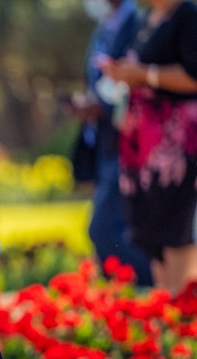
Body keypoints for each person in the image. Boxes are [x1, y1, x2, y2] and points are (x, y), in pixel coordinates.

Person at [100, 0, 197, 296]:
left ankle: (184, 321)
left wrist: (144, 74)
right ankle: (168, 314)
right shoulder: (148, 18)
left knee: (175, 229)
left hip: (177, 150)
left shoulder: (188, 15)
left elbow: (193, 76)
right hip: (143, 150)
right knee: (152, 232)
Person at [66, 0, 153, 286]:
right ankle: (121, 297)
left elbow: (138, 80)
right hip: (104, 144)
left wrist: (100, 105)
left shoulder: (140, 23)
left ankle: (148, 289)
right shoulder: (104, 26)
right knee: (115, 227)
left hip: (132, 143)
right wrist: (87, 106)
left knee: (103, 228)